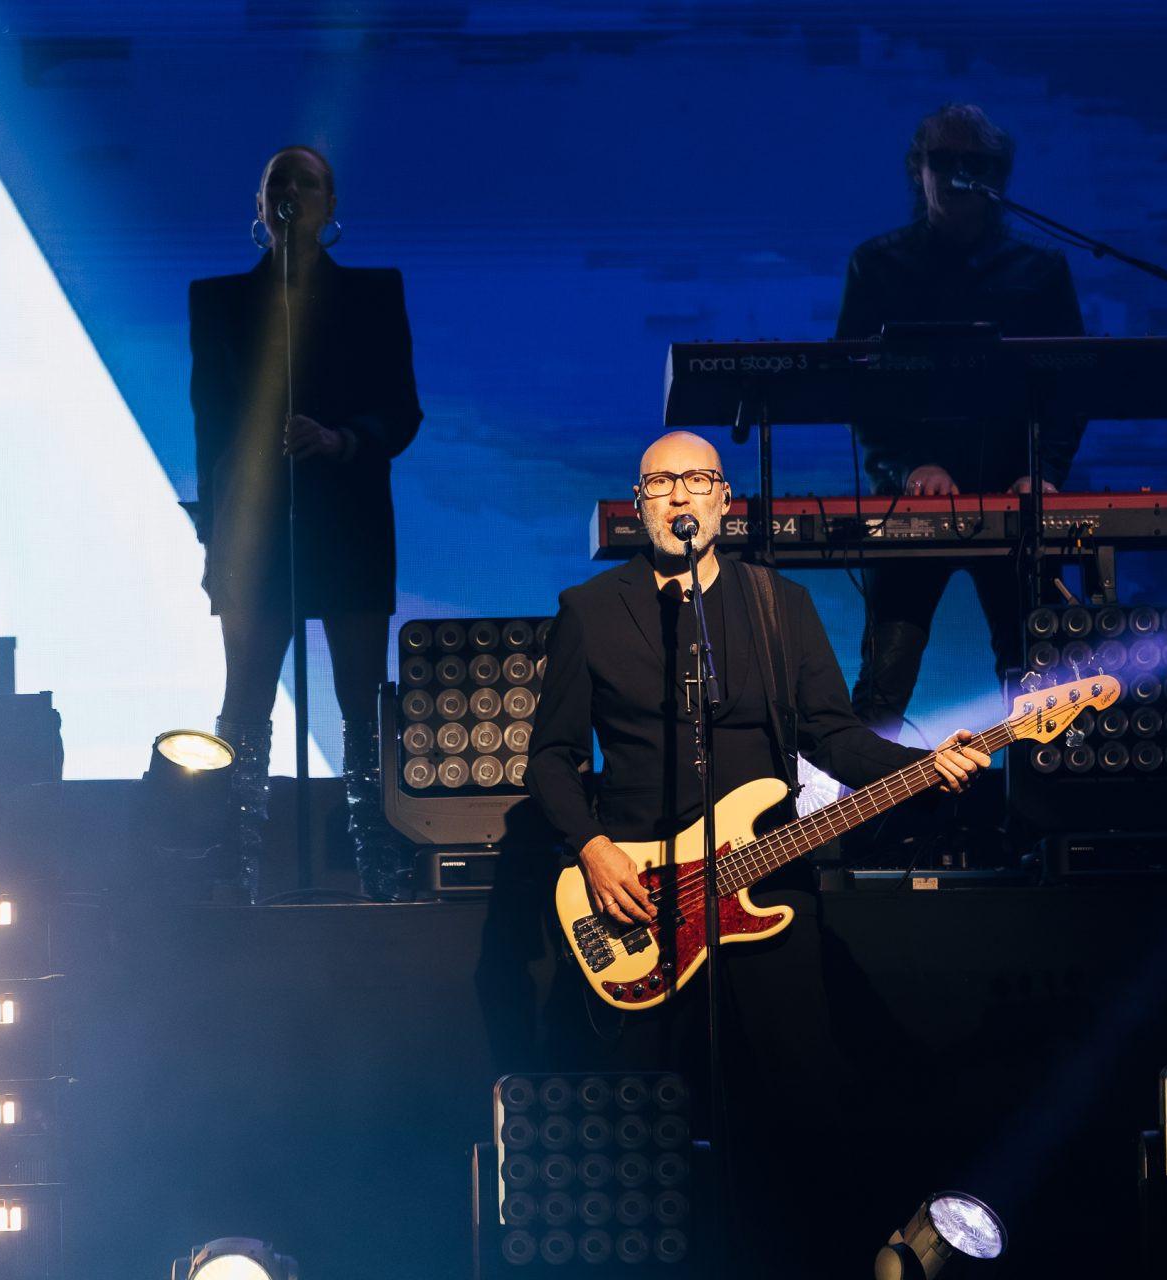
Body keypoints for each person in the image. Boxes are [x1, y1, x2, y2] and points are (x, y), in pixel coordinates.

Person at [524, 430, 989, 1277]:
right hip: (640, 903)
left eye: (696, 479)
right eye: (660, 482)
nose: (679, 494)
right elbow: (550, 760)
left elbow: (834, 737)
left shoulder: (780, 605)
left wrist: (925, 766)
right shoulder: (589, 610)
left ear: (723, 501)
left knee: (804, 1102)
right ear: (639, 505)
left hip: (764, 884)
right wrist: (592, 848)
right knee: (645, 1124)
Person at [189, 144, 422, 901]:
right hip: (257, 528)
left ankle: (377, 858)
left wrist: (341, 439)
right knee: (246, 698)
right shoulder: (219, 301)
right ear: (261, 206)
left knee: (362, 699)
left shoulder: (374, 295)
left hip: (347, 521)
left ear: (330, 205)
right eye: (277, 181)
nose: (291, 191)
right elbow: (211, 428)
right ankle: (237, 860)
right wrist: (215, 537)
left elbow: (402, 409)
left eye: (307, 181)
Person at [837, 103, 1088, 738]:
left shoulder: (1040, 271)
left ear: (997, 177)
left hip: (1016, 496)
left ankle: (1035, 799)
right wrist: (909, 464)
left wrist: (1044, 471)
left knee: (1034, 679)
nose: (957, 174)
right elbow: (856, 387)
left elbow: (1070, 387)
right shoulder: (877, 265)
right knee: (885, 681)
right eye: (943, 161)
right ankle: (868, 804)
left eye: (973, 163)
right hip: (910, 500)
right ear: (917, 170)